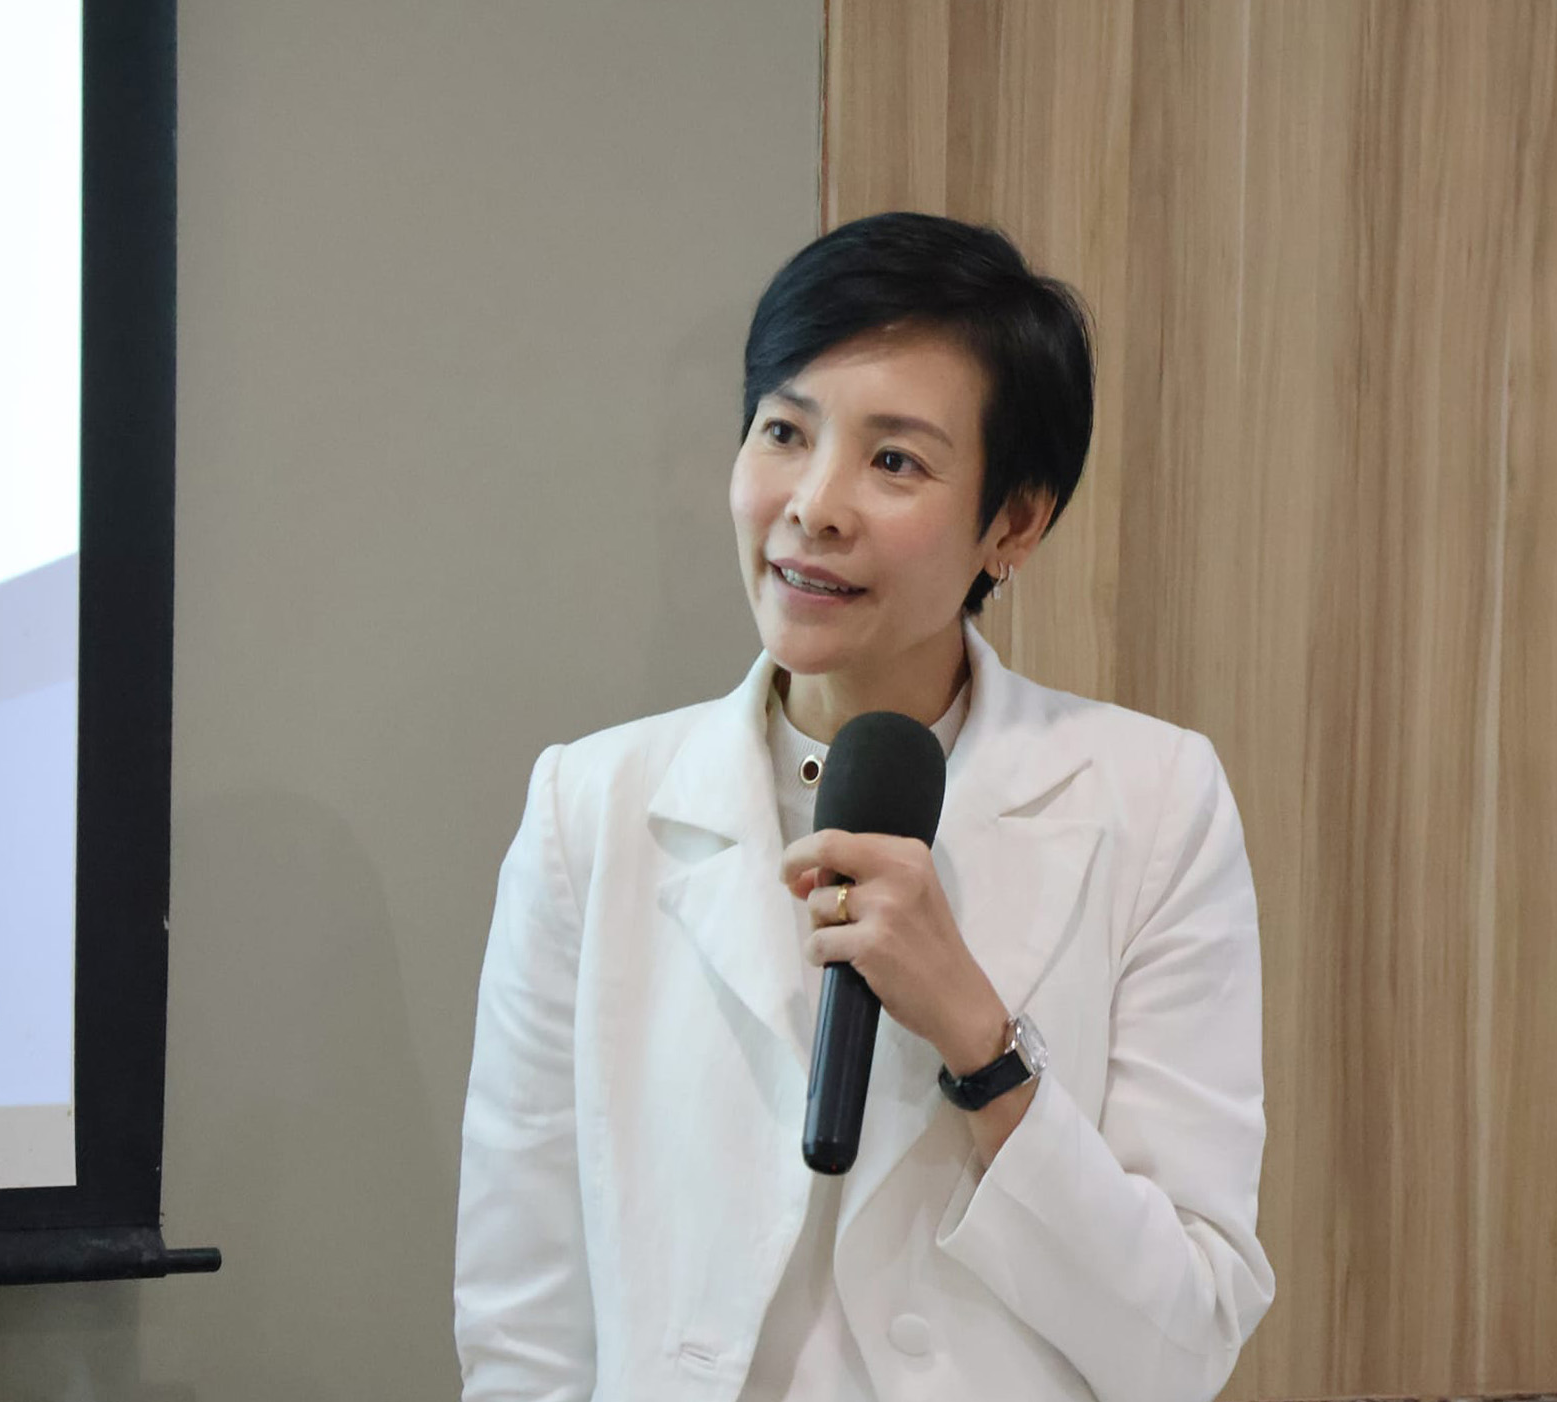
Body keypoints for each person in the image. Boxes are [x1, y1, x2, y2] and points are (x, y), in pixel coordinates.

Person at [455, 212, 1274, 1402]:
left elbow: (1185, 1342)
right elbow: (523, 1324)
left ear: (1014, 520)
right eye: (784, 431)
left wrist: (984, 1049)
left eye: (894, 461)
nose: (815, 504)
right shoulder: (590, 808)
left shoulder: (1151, 800)